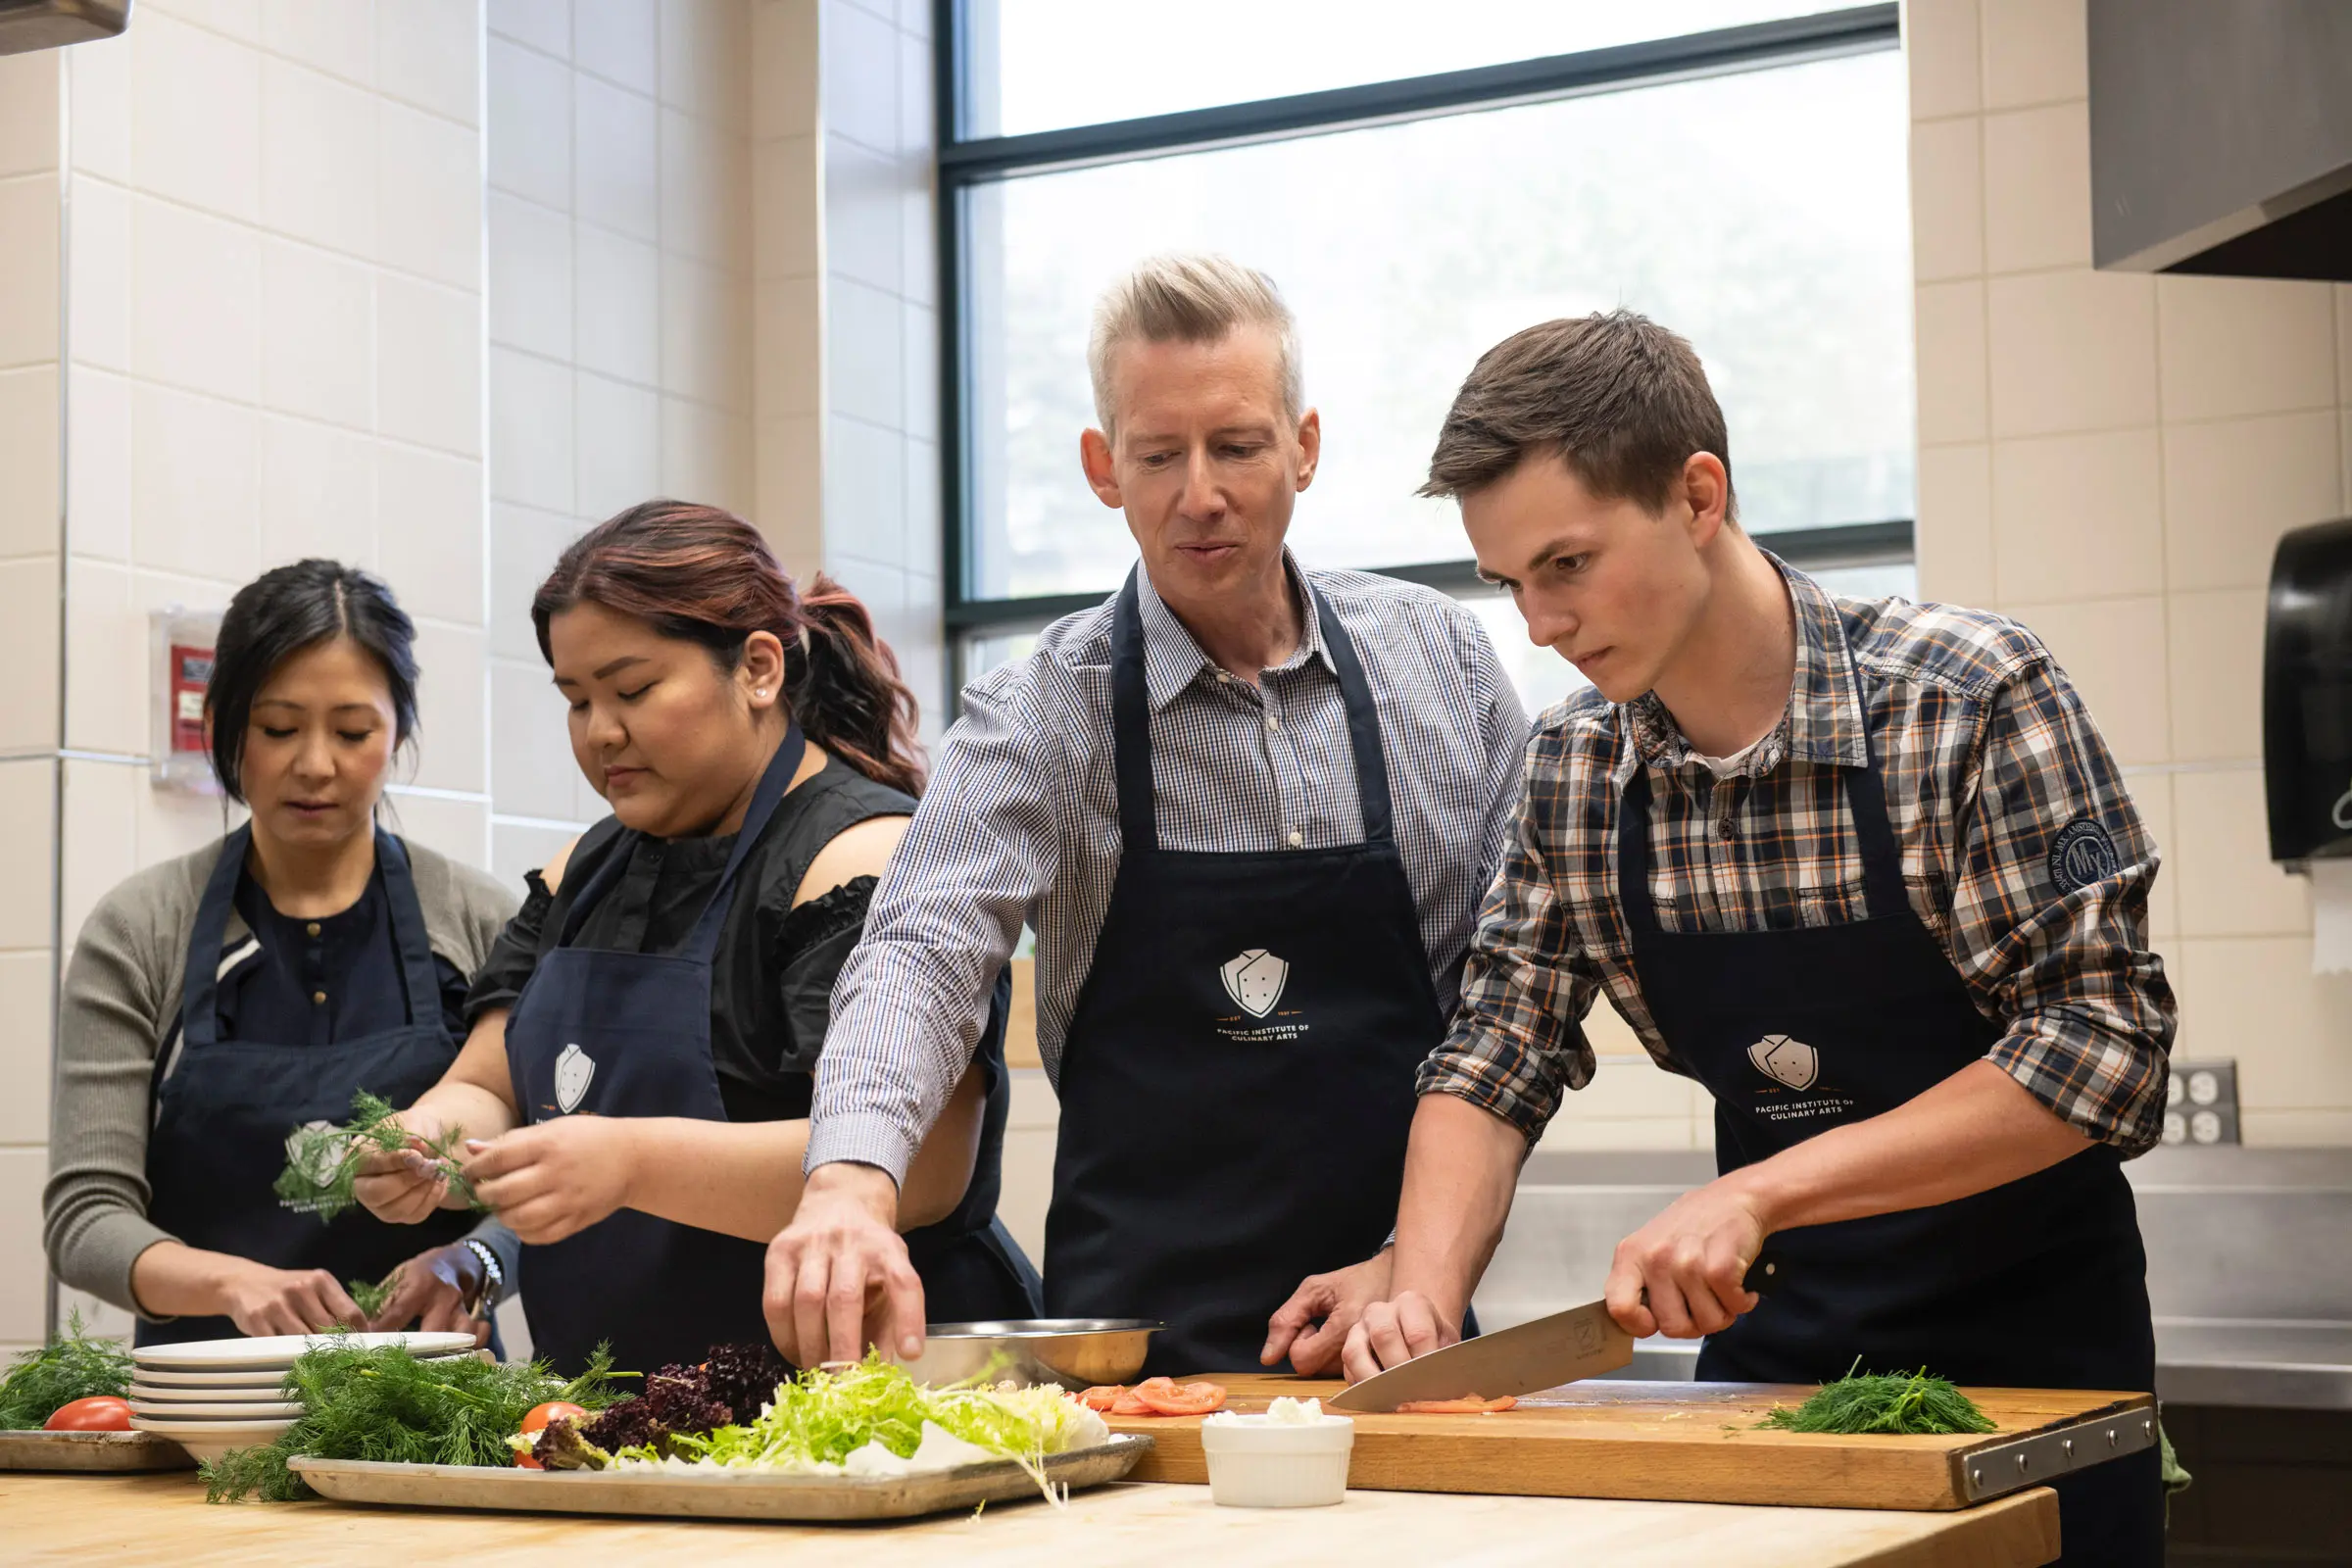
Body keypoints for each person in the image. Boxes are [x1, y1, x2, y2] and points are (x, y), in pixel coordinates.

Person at [1343, 313, 2169, 1562]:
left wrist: (1760, 1191)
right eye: (1511, 582)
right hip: (1772, 1392)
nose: (1539, 624)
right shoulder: (1576, 770)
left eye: (1567, 563)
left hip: (2035, 1384)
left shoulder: (1967, 701)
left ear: (1696, 495)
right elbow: (1496, 1055)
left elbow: (2105, 1046)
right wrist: (1422, 1294)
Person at [766, 253, 1530, 1378]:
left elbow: (1514, 986)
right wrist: (848, 1181)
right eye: (1158, 455)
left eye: (1237, 446)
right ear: (1102, 465)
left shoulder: (1440, 661)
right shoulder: (1044, 706)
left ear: (1305, 446)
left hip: (1399, 1331)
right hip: (1127, 1361)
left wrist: (1418, 1264)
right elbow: (923, 944)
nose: (1198, 494)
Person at [356, 501, 1038, 1375]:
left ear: (757, 668)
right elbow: (486, 1087)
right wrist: (422, 1143)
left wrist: (631, 1160)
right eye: (577, 700)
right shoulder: (586, 869)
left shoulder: (861, 857)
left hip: (870, 1395)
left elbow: (928, 1164)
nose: (602, 732)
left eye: (633, 690)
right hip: (633, 1409)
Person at [44, 561, 520, 1344]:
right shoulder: (140, 929)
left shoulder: (478, 920)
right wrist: (233, 1283)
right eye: (279, 728)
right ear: (227, 728)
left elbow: (552, 1171)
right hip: (207, 1413)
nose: (316, 764)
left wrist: (477, 1259)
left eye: (353, 731)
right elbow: (85, 1218)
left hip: (435, 1408)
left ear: (397, 731)